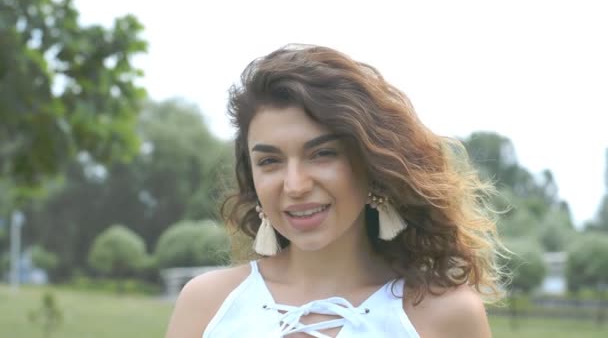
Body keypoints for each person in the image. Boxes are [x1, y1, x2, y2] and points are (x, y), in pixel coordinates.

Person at [165, 44, 505, 338]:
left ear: (370, 165)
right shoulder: (206, 305)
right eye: (270, 161)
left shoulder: (448, 315)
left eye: (322, 154)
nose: (295, 185)